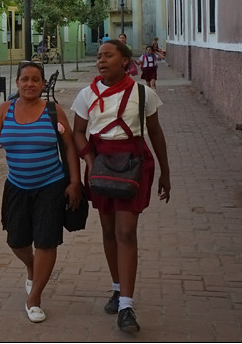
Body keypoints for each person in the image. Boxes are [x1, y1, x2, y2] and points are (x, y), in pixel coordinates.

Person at [0, 61, 82, 324]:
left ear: (43, 84)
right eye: (24, 79)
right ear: (17, 83)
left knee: (46, 241)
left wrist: (75, 182)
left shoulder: (53, 111)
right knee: (17, 241)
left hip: (50, 186)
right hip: (17, 186)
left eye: (35, 79)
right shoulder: (4, 110)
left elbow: (69, 149)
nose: (29, 84)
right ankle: (32, 267)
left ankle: (35, 298)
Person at [70, 39, 171, 334]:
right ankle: (117, 287)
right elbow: (78, 133)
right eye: (99, 56)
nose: (101, 61)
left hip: (133, 164)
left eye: (108, 55)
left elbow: (156, 133)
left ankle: (127, 305)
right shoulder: (86, 94)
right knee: (108, 229)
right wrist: (89, 159)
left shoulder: (143, 93)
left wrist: (166, 172)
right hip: (101, 165)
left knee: (126, 231)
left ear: (125, 61)